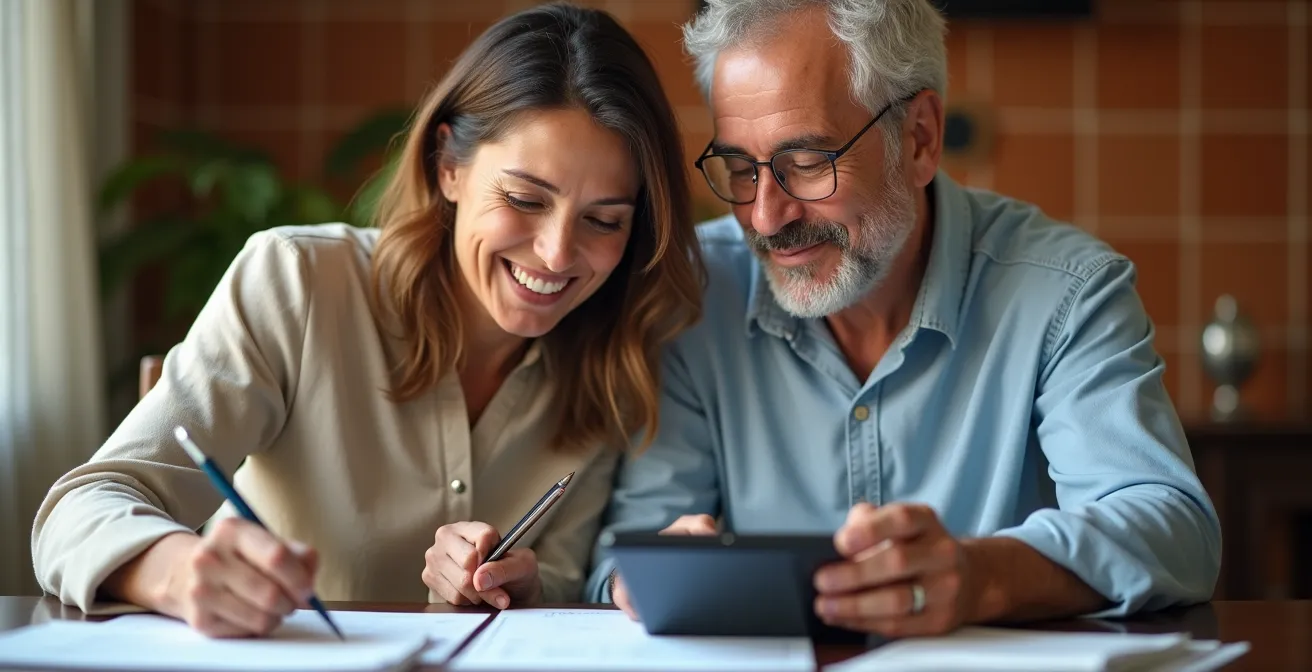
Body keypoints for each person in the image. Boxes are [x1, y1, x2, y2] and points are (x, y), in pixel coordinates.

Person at [32, 2, 703, 638]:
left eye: (603, 220)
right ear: (448, 166)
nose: (557, 253)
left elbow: (559, 577)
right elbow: (79, 508)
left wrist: (518, 589)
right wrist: (178, 573)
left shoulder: (619, 355)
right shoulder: (296, 282)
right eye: (525, 199)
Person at [588, 0, 1221, 638]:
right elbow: (623, 554)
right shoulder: (695, 298)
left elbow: (1173, 530)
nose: (764, 217)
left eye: (806, 163)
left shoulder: (1066, 294)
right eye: (741, 170)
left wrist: (983, 576)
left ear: (919, 138)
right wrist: (643, 572)